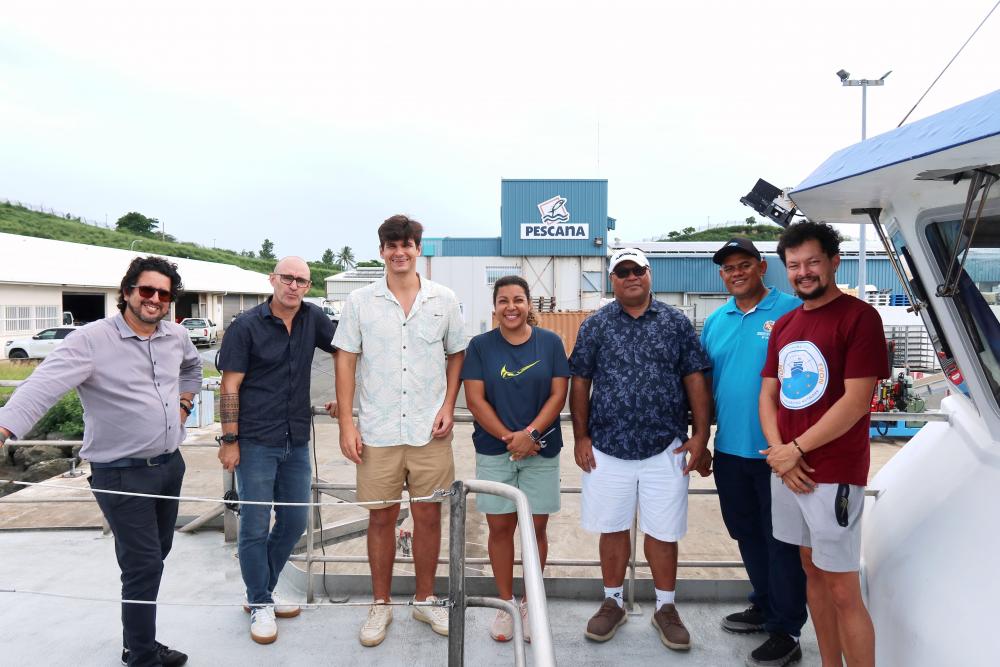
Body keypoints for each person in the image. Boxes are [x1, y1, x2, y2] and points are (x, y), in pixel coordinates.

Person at [0, 256, 201, 667]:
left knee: (155, 555)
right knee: (143, 564)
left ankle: (136, 642)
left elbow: (193, 369)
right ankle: (142, 655)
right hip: (121, 475)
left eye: (164, 294)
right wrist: (3, 429)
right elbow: (41, 387)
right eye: (147, 290)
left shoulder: (176, 337)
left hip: (169, 466)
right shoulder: (90, 340)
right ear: (127, 292)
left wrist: (183, 406)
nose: (155, 299)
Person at [569, 247, 712, 651]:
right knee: (612, 527)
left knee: (663, 532)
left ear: (650, 274)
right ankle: (612, 601)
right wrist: (580, 437)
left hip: (665, 447)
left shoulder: (675, 322)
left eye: (638, 270)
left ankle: (666, 607)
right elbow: (580, 381)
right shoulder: (595, 325)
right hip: (607, 446)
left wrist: (701, 435)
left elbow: (695, 378)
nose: (631, 276)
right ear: (612, 279)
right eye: (623, 271)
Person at [333, 214, 466, 647]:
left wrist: (448, 405)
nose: (399, 252)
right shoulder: (360, 302)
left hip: (430, 431)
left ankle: (425, 599)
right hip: (378, 430)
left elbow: (456, 354)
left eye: (406, 244)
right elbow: (345, 359)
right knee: (381, 518)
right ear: (382, 251)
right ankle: (381, 603)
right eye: (391, 245)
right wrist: (347, 423)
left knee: (428, 517)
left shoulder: (444, 299)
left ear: (418, 249)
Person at [760, 221, 887, 667]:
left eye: (812, 262)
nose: (803, 272)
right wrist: (781, 454)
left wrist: (793, 450)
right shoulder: (786, 324)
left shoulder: (860, 318)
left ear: (834, 262)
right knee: (811, 571)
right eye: (794, 265)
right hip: (788, 471)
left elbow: (856, 401)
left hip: (832, 473)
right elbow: (768, 394)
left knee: (842, 588)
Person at [216, 256, 337, 645]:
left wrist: (342, 394)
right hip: (254, 440)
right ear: (273, 279)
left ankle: (260, 593)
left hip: (296, 439)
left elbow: (347, 350)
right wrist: (229, 441)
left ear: (308, 286)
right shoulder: (246, 326)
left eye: (302, 280)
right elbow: (230, 385)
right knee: (254, 525)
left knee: (294, 522)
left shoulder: (313, 318)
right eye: (288, 278)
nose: (294, 286)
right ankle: (260, 600)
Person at [700, 238, 807, 667]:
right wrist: (702, 439)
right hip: (729, 450)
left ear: (762, 267)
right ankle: (763, 604)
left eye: (744, 264)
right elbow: (705, 387)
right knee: (746, 534)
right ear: (721, 275)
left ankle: (787, 629)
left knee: (782, 542)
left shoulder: (793, 311)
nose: (736, 273)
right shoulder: (715, 321)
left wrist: (796, 447)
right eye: (728, 268)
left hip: (778, 453)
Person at [461, 275, 570, 643]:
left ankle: (530, 603)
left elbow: (558, 395)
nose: (511, 307)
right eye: (503, 300)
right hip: (496, 451)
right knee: (500, 530)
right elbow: (475, 400)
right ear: (495, 307)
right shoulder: (480, 346)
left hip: (542, 450)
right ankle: (506, 604)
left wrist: (531, 435)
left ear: (528, 304)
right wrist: (512, 439)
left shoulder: (551, 343)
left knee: (536, 530)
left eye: (518, 299)